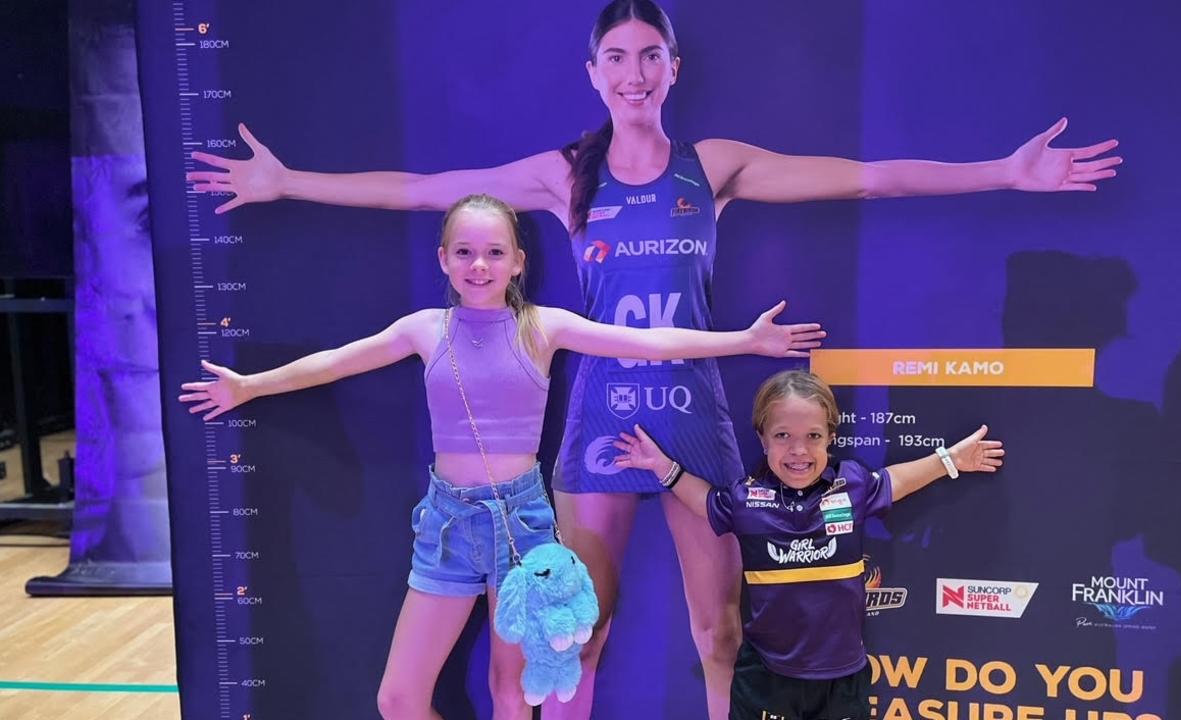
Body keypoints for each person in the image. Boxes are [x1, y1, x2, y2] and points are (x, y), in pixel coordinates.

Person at [185, 2, 1113, 715]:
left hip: (694, 421)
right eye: (617, 57)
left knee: (721, 630)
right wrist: (286, 182)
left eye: (651, 55)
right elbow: (421, 191)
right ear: (593, 71)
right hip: (597, 422)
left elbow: (868, 175)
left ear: (675, 66)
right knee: (574, 628)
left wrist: (1004, 170)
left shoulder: (714, 166)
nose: (635, 73)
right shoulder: (564, 172)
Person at [175, 194, 823, 720]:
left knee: (513, 696)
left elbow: (649, 341)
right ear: (444, 260)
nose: (478, 266)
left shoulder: (542, 327)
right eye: (464, 253)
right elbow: (335, 362)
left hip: (523, 530)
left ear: (517, 261)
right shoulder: (423, 330)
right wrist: (248, 386)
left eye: (492, 253)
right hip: (447, 528)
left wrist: (744, 340)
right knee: (398, 700)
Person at [611, 369, 1004, 720]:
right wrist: (662, 466)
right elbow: (704, 501)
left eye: (812, 437)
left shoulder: (851, 485)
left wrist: (949, 459)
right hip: (766, 677)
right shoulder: (747, 498)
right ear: (763, 439)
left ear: (831, 438)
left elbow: (896, 480)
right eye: (783, 436)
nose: (798, 451)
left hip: (842, 679)